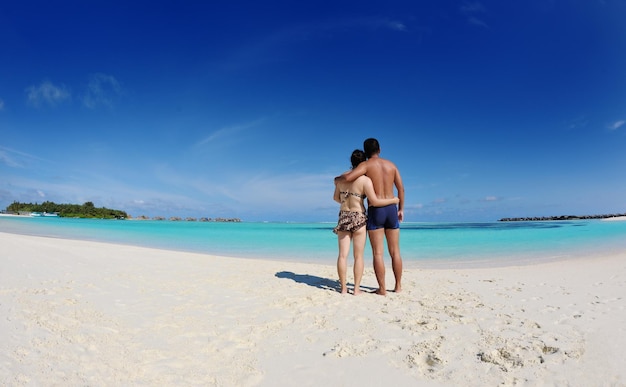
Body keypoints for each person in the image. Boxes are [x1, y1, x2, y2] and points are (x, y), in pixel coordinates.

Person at [335, 138, 404, 295]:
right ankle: (398, 286)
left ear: (365, 152)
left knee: (377, 253)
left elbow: (348, 178)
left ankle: (382, 289)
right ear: (379, 149)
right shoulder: (392, 165)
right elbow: (401, 189)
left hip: (376, 210)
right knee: (395, 252)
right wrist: (400, 209)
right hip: (392, 209)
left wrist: (336, 180)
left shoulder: (365, 166)